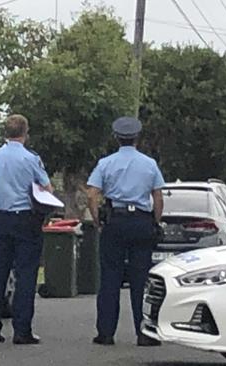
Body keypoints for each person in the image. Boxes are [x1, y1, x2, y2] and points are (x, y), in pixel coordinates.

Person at [87, 116, 165, 347]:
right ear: (137, 138)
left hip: (116, 221)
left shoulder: (105, 163)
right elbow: (158, 196)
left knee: (110, 277)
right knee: (141, 280)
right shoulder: (150, 164)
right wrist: (155, 222)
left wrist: (97, 220)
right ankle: (144, 333)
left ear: (116, 137)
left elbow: (92, 194)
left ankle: (106, 332)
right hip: (141, 221)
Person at [0, 114, 53, 345]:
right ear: (25, 132)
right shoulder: (31, 158)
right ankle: (22, 330)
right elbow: (47, 187)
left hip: (0, 218)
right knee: (26, 275)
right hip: (24, 218)